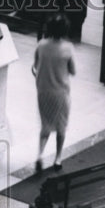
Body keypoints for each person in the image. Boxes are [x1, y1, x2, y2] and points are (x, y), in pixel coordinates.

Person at [32, 12, 76, 173]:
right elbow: (73, 70)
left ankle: (39, 155)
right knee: (61, 126)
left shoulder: (41, 45)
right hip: (60, 93)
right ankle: (57, 159)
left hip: (43, 91)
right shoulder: (68, 48)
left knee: (45, 125)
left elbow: (35, 66)